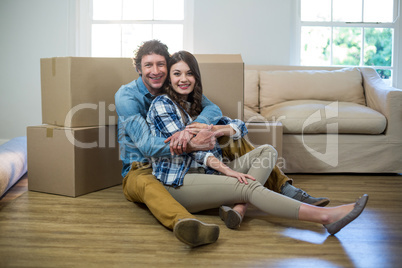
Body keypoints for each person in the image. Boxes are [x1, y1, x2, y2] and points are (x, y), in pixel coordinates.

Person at [115, 40, 329, 247]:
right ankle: (184, 222)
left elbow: (213, 109)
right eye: (148, 65)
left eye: (161, 64)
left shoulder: (173, 84)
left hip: (181, 161)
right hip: (141, 167)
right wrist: (192, 143)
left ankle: (278, 188)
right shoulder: (128, 96)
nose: (156, 71)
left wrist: (194, 129)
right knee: (149, 185)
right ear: (138, 68)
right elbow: (146, 145)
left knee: (233, 139)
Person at [146, 50, 369, 237]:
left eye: (189, 73)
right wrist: (227, 170)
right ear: (169, 79)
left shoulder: (195, 106)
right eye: (177, 74)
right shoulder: (162, 105)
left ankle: (240, 208)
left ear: (196, 77)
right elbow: (193, 151)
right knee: (249, 186)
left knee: (267, 151)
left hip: (207, 174)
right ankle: (325, 217)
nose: (183, 79)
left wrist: (217, 129)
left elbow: (239, 126)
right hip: (180, 182)